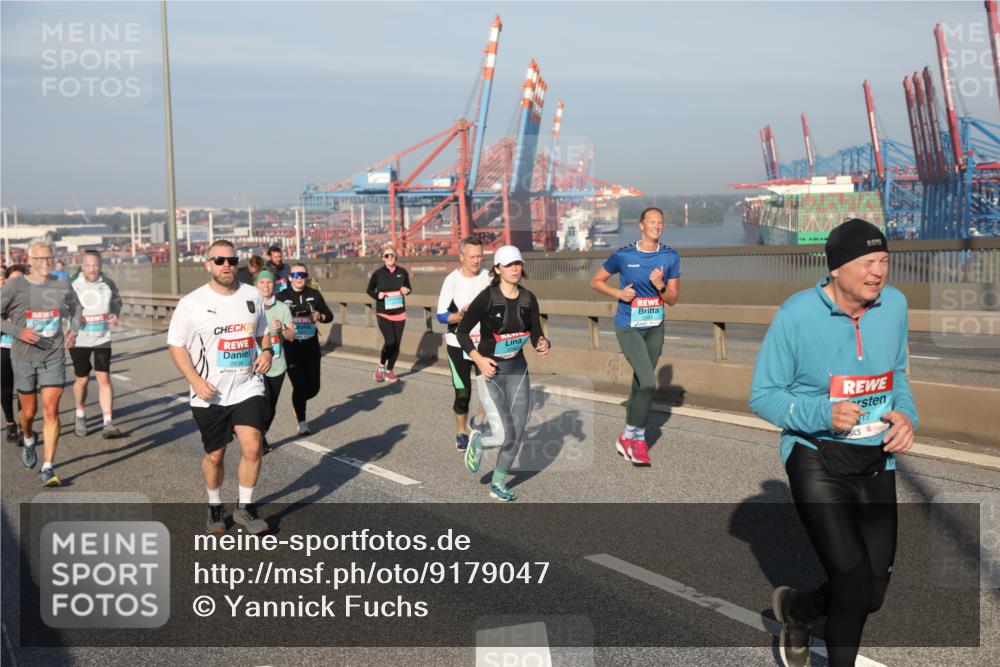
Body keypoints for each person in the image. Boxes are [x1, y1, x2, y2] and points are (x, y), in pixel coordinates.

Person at [749, 219, 917, 667]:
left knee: (871, 593)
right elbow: (763, 395)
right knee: (850, 581)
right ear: (838, 268)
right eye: (867, 263)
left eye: (884, 261)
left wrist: (906, 416)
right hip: (815, 457)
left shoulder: (895, 305)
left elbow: (897, 372)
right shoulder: (796, 315)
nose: (878, 272)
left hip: (875, 459)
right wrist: (822, 413)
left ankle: (797, 612)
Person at [167, 239, 273, 535]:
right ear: (208, 265)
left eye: (231, 260)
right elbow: (176, 346)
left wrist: (266, 352)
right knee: (216, 455)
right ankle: (215, 505)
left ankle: (245, 507)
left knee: (253, 446)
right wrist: (195, 381)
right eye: (219, 260)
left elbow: (263, 333)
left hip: (247, 386)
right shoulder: (192, 304)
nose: (226, 265)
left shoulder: (252, 295)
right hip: (210, 393)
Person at [457, 245, 549, 501]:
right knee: (503, 433)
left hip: (518, 369)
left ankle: (498, 483)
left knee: (518, 430)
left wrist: (542, 343)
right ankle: (478, 441)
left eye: (517, 263)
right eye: (508, 265)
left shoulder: (528, 298)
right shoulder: (487, 298)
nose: (515, 268)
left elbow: (535, 333)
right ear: (497, 269)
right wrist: (479, 359)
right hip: (490, 372)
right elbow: (462, 332)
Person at [589, 207, 680, 466]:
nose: (656, 225)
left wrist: (660, 284)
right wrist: (618, 295)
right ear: (641, 225)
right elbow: (596, 281)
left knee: (641, 383)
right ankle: (637, 438)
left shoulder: (670, 256)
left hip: (655, 327)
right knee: (650, 382)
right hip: (628, 326)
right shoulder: (624, 255)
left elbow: (672, 299)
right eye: (652, 221)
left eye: (660, 222)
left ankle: (627, 435)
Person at [0, 240, 81, 486]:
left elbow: (77, 308)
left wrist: (73, 330)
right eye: (40, 259)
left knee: (50, 410)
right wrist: (17, 331)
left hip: (53, 355)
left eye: (49, 258)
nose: (45, 263)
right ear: (30, 261)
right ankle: (27, 437)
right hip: (24, 357)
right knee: (29, 412)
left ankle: (48, 466)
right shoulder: (15, 286)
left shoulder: (61, 284)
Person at [436, 236, 490, 451]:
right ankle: (461, 432)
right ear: (461, 257)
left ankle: (478, 419)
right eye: (472, 257)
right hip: (457, 344)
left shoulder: (488, 277)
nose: (476, 261)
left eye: (479, 256)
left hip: (483, 344)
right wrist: (460, 315)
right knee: (463, 392)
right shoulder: (452, 280)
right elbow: (441, 316)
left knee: (490, 391)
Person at [70, 250, 124, 438]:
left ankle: (107, 422)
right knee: (82, 380)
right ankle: (80, 413)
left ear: (100, 265)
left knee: (104, 378)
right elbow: (62, 307)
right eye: (88, 266)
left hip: (102, 337)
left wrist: (115, 313)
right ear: (82, 266)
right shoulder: (72, 284)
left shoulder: (107, 282)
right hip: (79, 339)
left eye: (95, 265)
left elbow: (117, 301)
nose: (92, 269)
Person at [278, 262, 333, 435]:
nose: (299, 278)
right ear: (290, 277)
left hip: (311, 346)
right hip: (291, 347)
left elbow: (329, 315)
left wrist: (320, 315)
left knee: (314, 387)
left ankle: (298, 402)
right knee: (299, 385)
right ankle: (302, 422)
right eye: (295, 275)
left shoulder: (314, 294)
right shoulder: (282, 296)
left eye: (302, 275)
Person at [254, 270, 294, 455]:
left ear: (274, 285)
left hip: (277, 365)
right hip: (256, 365)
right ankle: (255, 438)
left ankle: (260, 434)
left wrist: (283, 328)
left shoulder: (282, 308)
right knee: (261, 403)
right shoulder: (251, 307)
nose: (265, 286)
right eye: (261, 282)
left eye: (269, 282)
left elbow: (291, 336)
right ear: (256, 286)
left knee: (271, 408)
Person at [366, 244, 412, 383]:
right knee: (390, 341)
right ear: (383, 258)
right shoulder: (378, 274)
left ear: (395, 257)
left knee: (397, 344)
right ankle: (381, 366)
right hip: (384, 313)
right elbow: (369, 290)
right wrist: (377, 295)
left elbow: (409, 288)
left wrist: (407, 290)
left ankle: (389, 371)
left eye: (392, 255)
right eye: (387, 255)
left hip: (399, 312)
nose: (390, 257)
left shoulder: (403, 272)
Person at [1, 264, 29, 443]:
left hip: (25, 350)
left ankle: (22, 426)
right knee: (5, 389)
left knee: (24, 390)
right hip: (4, 347)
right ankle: (10, 423)